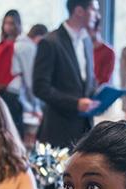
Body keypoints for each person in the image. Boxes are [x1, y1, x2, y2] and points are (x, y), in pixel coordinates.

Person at [33, 0, 99, 151]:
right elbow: (40, 87)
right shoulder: (50, 42)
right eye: (94, 10)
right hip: (59, 129)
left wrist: (97, 96)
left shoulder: (87, 41)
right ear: (79, 11)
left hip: (85, 129)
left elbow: (86, 81)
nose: (97, 15)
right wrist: (75, 103)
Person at [10, 23, 48, 121]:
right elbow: (30, 79)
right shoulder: (29, 48)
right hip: (17, 95)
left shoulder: (17, 44)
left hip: (12, 92)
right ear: (40, 37)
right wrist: (36, 107)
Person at [90, 19, 114, 86]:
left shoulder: (108, 52)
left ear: (98, 29)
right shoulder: (83, 49)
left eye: (90, 30)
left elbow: (103, 81)